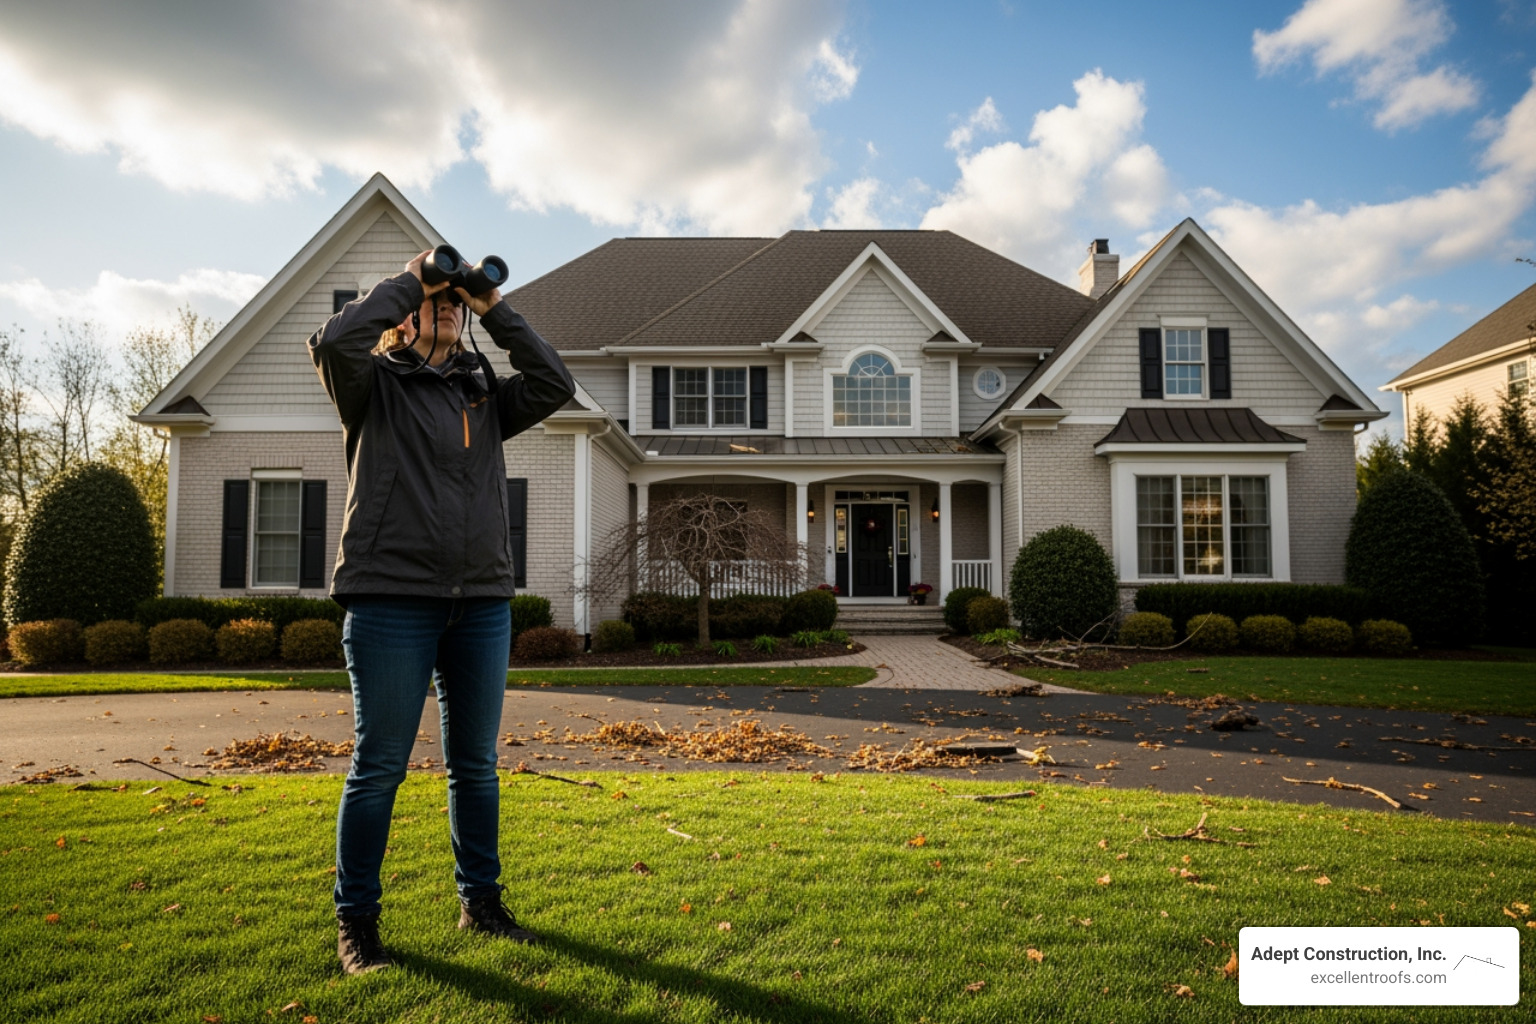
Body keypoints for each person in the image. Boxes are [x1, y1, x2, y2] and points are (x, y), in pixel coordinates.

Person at [308, 249, 575, 975]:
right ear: (401, 319)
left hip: (482, 602)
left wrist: (493, 307)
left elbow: (556, 382)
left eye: (457, 303)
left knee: (475, 767)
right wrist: (414, 280)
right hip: (391, 598)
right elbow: (335, 340)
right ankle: (357, 925)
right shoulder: (371, 385)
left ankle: (480, 904)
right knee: (380, 767)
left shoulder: (482, 394)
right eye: (440, 300)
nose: (450, 306)